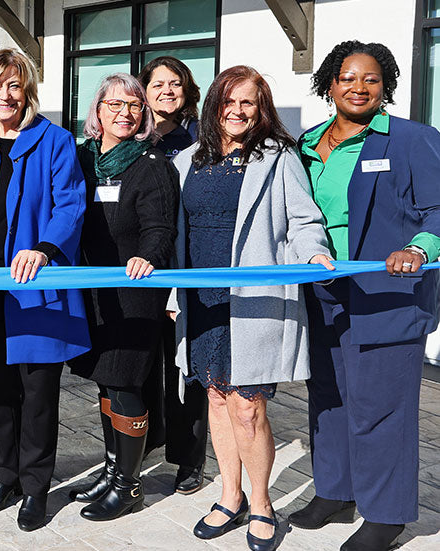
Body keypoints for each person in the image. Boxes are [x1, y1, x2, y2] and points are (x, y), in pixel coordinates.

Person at [166, 65, 334, 551]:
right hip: (201, 300)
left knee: (247, 406)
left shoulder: (278, 158)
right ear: (215, 103)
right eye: (230, 101)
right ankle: (229, 495)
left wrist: (314, 253)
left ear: (261, 111)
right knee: (216, 398)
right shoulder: (187, 163)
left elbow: (303, 219)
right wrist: (176, 297)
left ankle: (262, 503)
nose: (238, 111)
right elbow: (178, 237)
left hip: (253, 301)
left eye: (249, 103)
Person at [290, 41, 440, 551]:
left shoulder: (412, 139)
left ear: (386, 86)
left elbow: (438, 212)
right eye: (348, 77)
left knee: (381, 406)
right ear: (329, 83)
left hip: (387, 293)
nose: (359, 87)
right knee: (329, 397)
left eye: (371, 79)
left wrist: (417, 249)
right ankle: (336, 491)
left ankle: (386, 514)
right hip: (324, 289)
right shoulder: (307, 144)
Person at [0, 48, 89, 532]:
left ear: (28, 91)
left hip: (36, 291)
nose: (5, 95)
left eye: (14, 86)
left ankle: (36, 486)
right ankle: (6, 473)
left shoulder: (55, 141)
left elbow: (70, 205)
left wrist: (42, 247)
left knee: (37, 393)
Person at [66, 73, 178, 522]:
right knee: (106, 382)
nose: (125, 113)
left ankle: (129, 487)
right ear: (98, 113)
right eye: (114, 105)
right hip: (94, 292)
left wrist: (147, 256)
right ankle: (113, 471)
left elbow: (160, 227)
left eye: (133, 106)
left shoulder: (152, 164)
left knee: (127, 382)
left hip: (134, 292)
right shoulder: (84, 158)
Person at [138, 55, 207, 495]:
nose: (166, 91)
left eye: (175, 84)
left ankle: (189, 460)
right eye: (157, 83)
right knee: (141, 367)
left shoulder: (203, 140)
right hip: (142, 273)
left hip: (184, 269)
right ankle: (143, 445)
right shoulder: (131, 136)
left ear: (187, 91)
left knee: (188, 371)